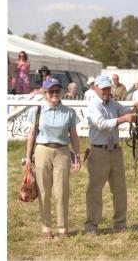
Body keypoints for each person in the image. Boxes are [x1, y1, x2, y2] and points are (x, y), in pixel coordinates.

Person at [84, 75, 138, 235]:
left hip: (115, 151)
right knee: (95, 190)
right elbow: (101, 124)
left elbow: (126, 111)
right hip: (98, 152)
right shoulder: (93, 106)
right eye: (104, 89)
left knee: (120, 189)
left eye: (108, 88)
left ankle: (120, 225)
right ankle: (91, 226)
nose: (107, 91)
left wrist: (134, 109)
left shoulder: (114, 104)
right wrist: (124, 119)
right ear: (96, 88)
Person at [25, 77, 81, 239]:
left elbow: (74, 136)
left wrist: (76, 156)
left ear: (61, 92)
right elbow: (31, 134)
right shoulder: (37, 111)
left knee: (62, 191)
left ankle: (63, 228)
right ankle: (46, 228)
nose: (55, 94)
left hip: (63, 153)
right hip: (42, 151)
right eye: (51, 91)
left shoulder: (69, 112)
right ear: (45, 93)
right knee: (43, 191)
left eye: (57, 90)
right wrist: (28, 157)